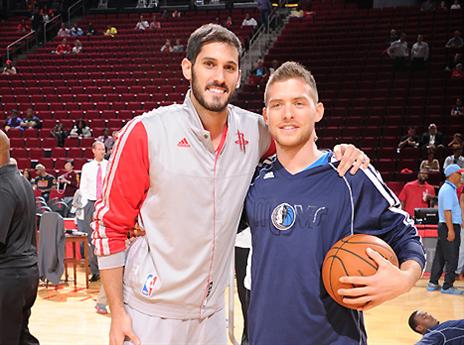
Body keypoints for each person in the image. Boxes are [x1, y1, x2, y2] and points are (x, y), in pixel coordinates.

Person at [91, 24, 369, 345]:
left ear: (238, 75)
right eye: (209, 64)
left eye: (229, 67)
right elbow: (108, 224)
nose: (219, 77)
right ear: (187, 68)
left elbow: (298, 140)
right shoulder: (146, 132)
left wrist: (339, 151)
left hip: (211, 315)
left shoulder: (254, 131)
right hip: (152, 312)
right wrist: (117, 312)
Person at [242, 61, 424, 345]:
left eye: (299, 103)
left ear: (318, 111)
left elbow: (406, 234)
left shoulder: (350, 173)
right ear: (266, 115)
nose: (287, 114)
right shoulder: (252, 182)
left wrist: (405, 278)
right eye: (277, 105)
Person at [0, 129, 40, 345]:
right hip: (26, 274)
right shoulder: (21, 181)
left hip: (8, 277)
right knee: (21, 337)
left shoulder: (2, 187)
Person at [427, 164, 464, 294]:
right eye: (459, 174)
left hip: (445, 225)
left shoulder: (448, 188)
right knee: (452, 257)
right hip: (449, 225)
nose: (461, 176)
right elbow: (447, 211)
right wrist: (451, 230)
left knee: (440, 256)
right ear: (452, 175)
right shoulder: (448, 190)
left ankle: (433, 282)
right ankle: (447, 286)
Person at [79, 141, 108, 282]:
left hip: (105, 204)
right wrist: (85, 206)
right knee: (91, 238)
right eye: (100, 149)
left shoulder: (109, 166)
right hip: (90, 203)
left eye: (104, 149)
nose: (103, 151)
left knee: (105, 236)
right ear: (93, 150)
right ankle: (94, 270)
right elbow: (83, 187)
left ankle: (107, 270)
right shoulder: (87, 167)